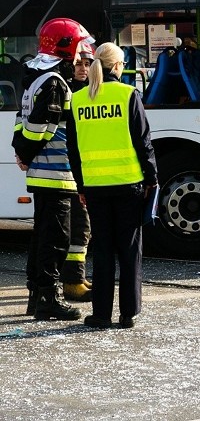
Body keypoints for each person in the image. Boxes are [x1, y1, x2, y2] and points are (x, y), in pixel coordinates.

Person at [67, 42, 158, 329]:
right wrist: (152, 177)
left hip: (94, 187)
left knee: (103, 250)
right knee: (130, 250)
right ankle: (128, 313)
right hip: (128, 184)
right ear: (118, 66)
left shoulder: (79, 100)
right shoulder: (128, 95)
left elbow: (74, 149)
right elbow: (143, 142)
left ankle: (101, 315)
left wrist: (81, 185)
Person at [12, 18, 94, 321]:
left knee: (41, 236)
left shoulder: (37, 78)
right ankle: (48, 298)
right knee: (55, 239)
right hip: (56, 173)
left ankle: (37, 296)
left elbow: (22, 121)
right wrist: (26, 150)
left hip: (41, 172)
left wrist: (21, 152)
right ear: (66, 47)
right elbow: (40, 128)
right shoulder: (55, 83)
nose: (82, 57)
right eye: (79, 50)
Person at [61, 41, 95, 302]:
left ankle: (76, 276)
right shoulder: (68, 92)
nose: (83, 69)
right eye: (78, 64)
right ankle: (72, 281)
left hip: (81, 168)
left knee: (81, 226)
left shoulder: (89, 91)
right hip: (69, 169)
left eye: (87, 64)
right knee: (79, 226)